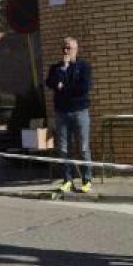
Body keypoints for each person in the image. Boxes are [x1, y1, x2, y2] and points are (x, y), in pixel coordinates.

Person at [45, 37, 94, 193]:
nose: (66, 51)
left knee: (84, 147)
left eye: (69, 48)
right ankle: (67, 180)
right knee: (64, 148)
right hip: (62, 113)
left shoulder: (84, 67)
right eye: (64, 49)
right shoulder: (57, 68)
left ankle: (87, 180)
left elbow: (84, 88)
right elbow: (51, 83)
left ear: (76, 49)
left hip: (80, 111)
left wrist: (63, 88)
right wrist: (64, 68)